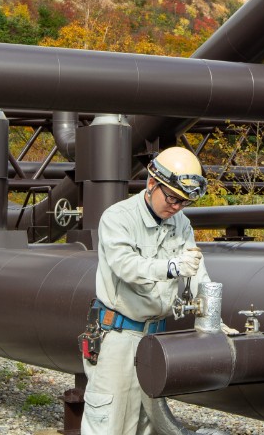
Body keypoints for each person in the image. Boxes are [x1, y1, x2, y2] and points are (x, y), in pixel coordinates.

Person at [81, 146, 210, 435]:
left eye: (184, 202)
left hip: (156, 337)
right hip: (119, 336)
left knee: (147, 423)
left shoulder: (181, 223)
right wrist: (171, 267)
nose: (177, 207)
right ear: (152, 183)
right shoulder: (118, 218)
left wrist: (212, 317)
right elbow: (125, 265)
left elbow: (197, 270)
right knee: (110, 422)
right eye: (173, 198)